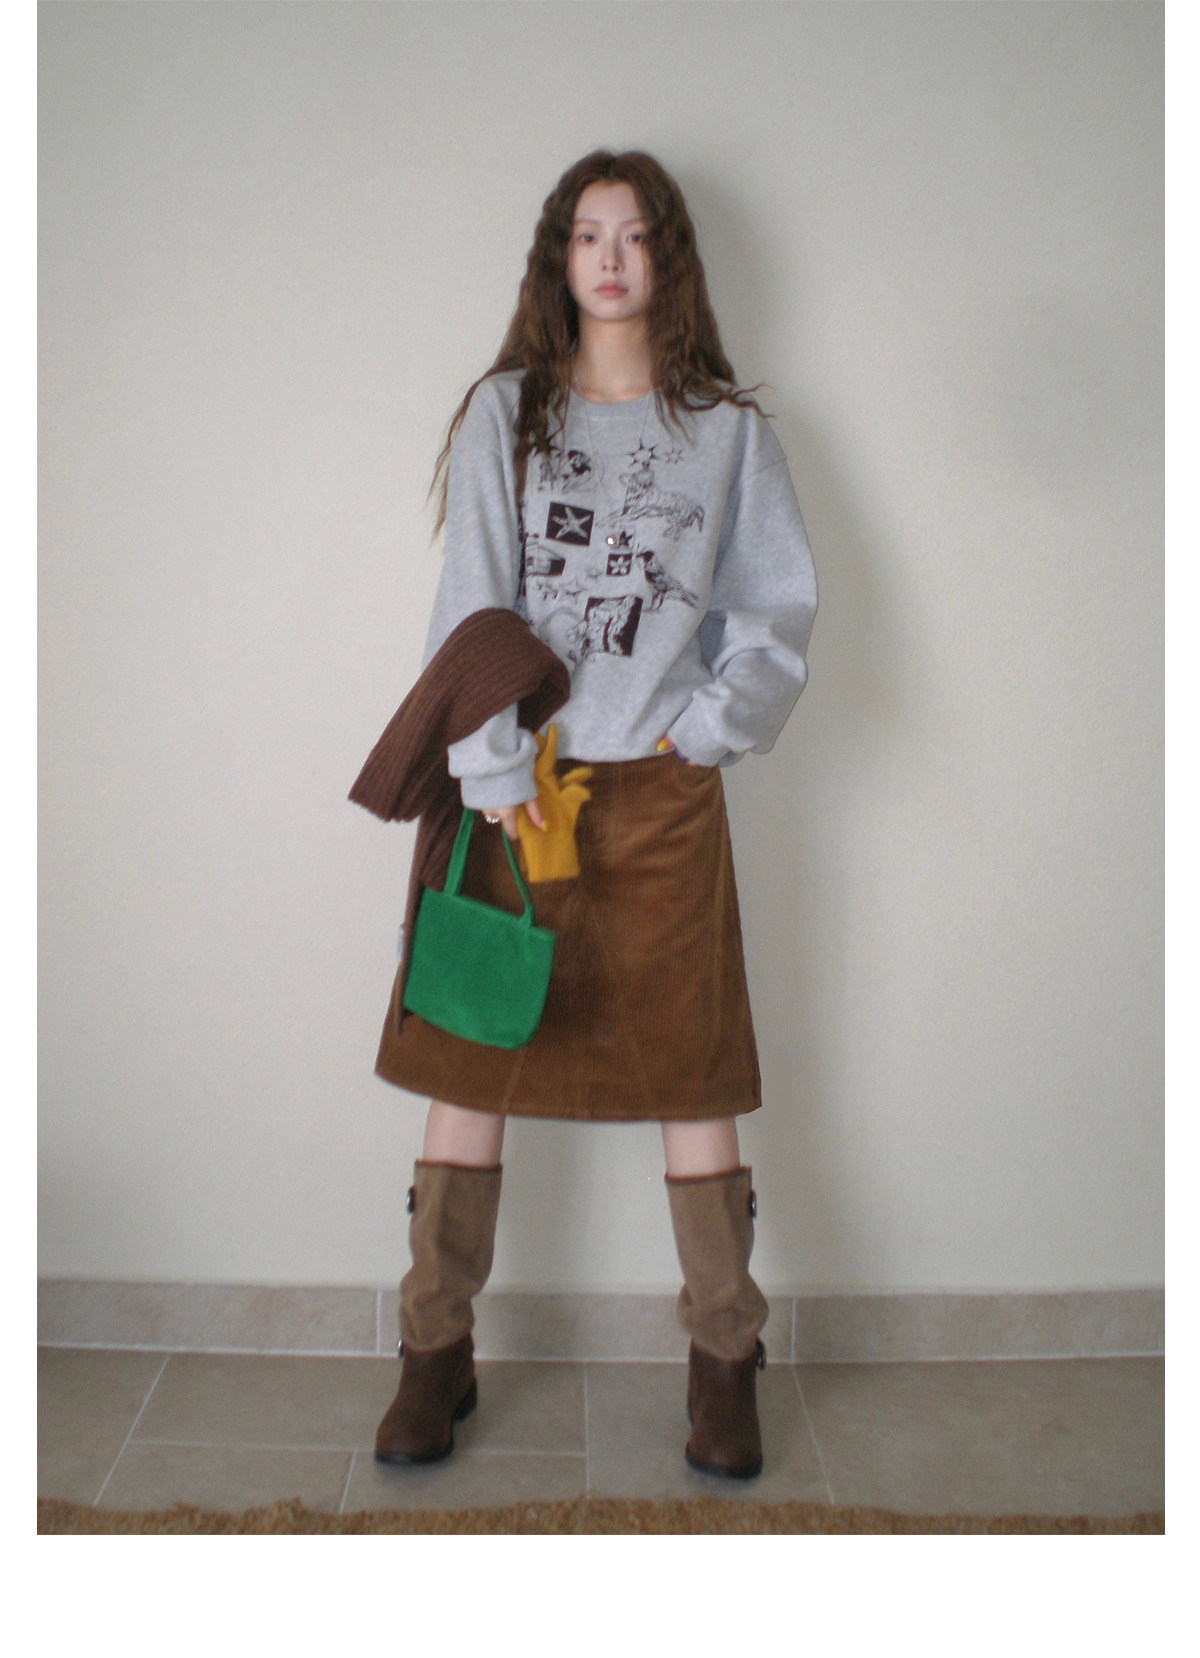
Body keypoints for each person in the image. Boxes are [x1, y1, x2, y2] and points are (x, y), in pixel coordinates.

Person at [368, 150, 817, 1481]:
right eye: (585, 235)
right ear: (558, 259)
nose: (610, 259)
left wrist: (709, 729)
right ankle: (433, 1353)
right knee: (469, 1067)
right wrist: (494, 769)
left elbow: (773, 610)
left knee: (693, 1071)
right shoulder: (511, 412)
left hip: (663, 798)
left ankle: (724, 1359)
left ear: (667, 256)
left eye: (633, 235)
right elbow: (473, 605)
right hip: (517, 794)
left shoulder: (727, 432)